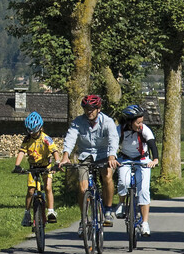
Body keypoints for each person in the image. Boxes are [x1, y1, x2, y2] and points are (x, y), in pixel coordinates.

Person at [60, 94, 120, 227]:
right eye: (86, 108)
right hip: (85, 155)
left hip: (104, 154)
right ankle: (84, 217)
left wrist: (112, 156)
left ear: (98, 109)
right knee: (82, 188)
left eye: (92, 109)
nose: (89, 111)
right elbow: (70, 138)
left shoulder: (107, 122)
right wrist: (65, 156)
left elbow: (113, 139)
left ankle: (108, 210)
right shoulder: (78, 122)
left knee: (107, 176)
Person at [113, 104, 159, 237]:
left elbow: (152, 144)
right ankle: (121, 204)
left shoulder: (145, 130)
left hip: (143, 160)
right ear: (129, 122)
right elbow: (113, 145)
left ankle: (145, 223)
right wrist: (113, 158)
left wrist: (155, 160)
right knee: (123, 182)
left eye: (141, 122)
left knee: (144, 190)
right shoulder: (119, 130)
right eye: (138, 122)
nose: (140, 125)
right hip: (125, 160)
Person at [12, 111, 63, 226]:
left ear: (40, 128)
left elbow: (54, 151)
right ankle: (27, 213)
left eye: (34, 132)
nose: (32, 135)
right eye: (30, 132)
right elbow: (21, 152)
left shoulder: (46, 139)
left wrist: (57, 163)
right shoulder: (27, 139)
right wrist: (17, 166)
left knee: (48, 187)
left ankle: (50, 211)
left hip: (46, 166)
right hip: (33, 167)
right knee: (31, 190)